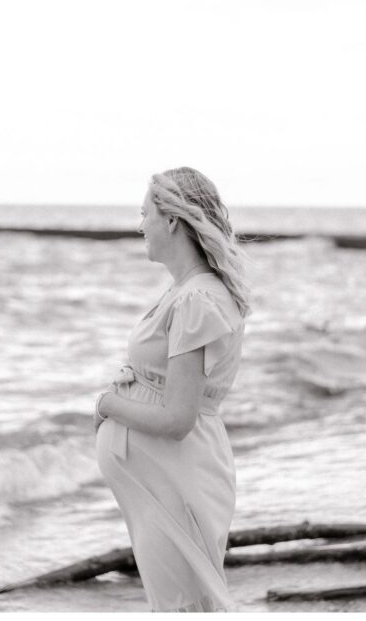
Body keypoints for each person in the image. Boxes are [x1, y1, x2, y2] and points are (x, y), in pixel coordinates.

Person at [94, 167, 251, 611]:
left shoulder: (197, 299)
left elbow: (178, 418)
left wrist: (109, 405)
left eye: (145, 213)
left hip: (179, 477)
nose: (139, 224)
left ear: (172, 221)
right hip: (164, 480)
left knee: (186, 607)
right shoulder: (183, 292)